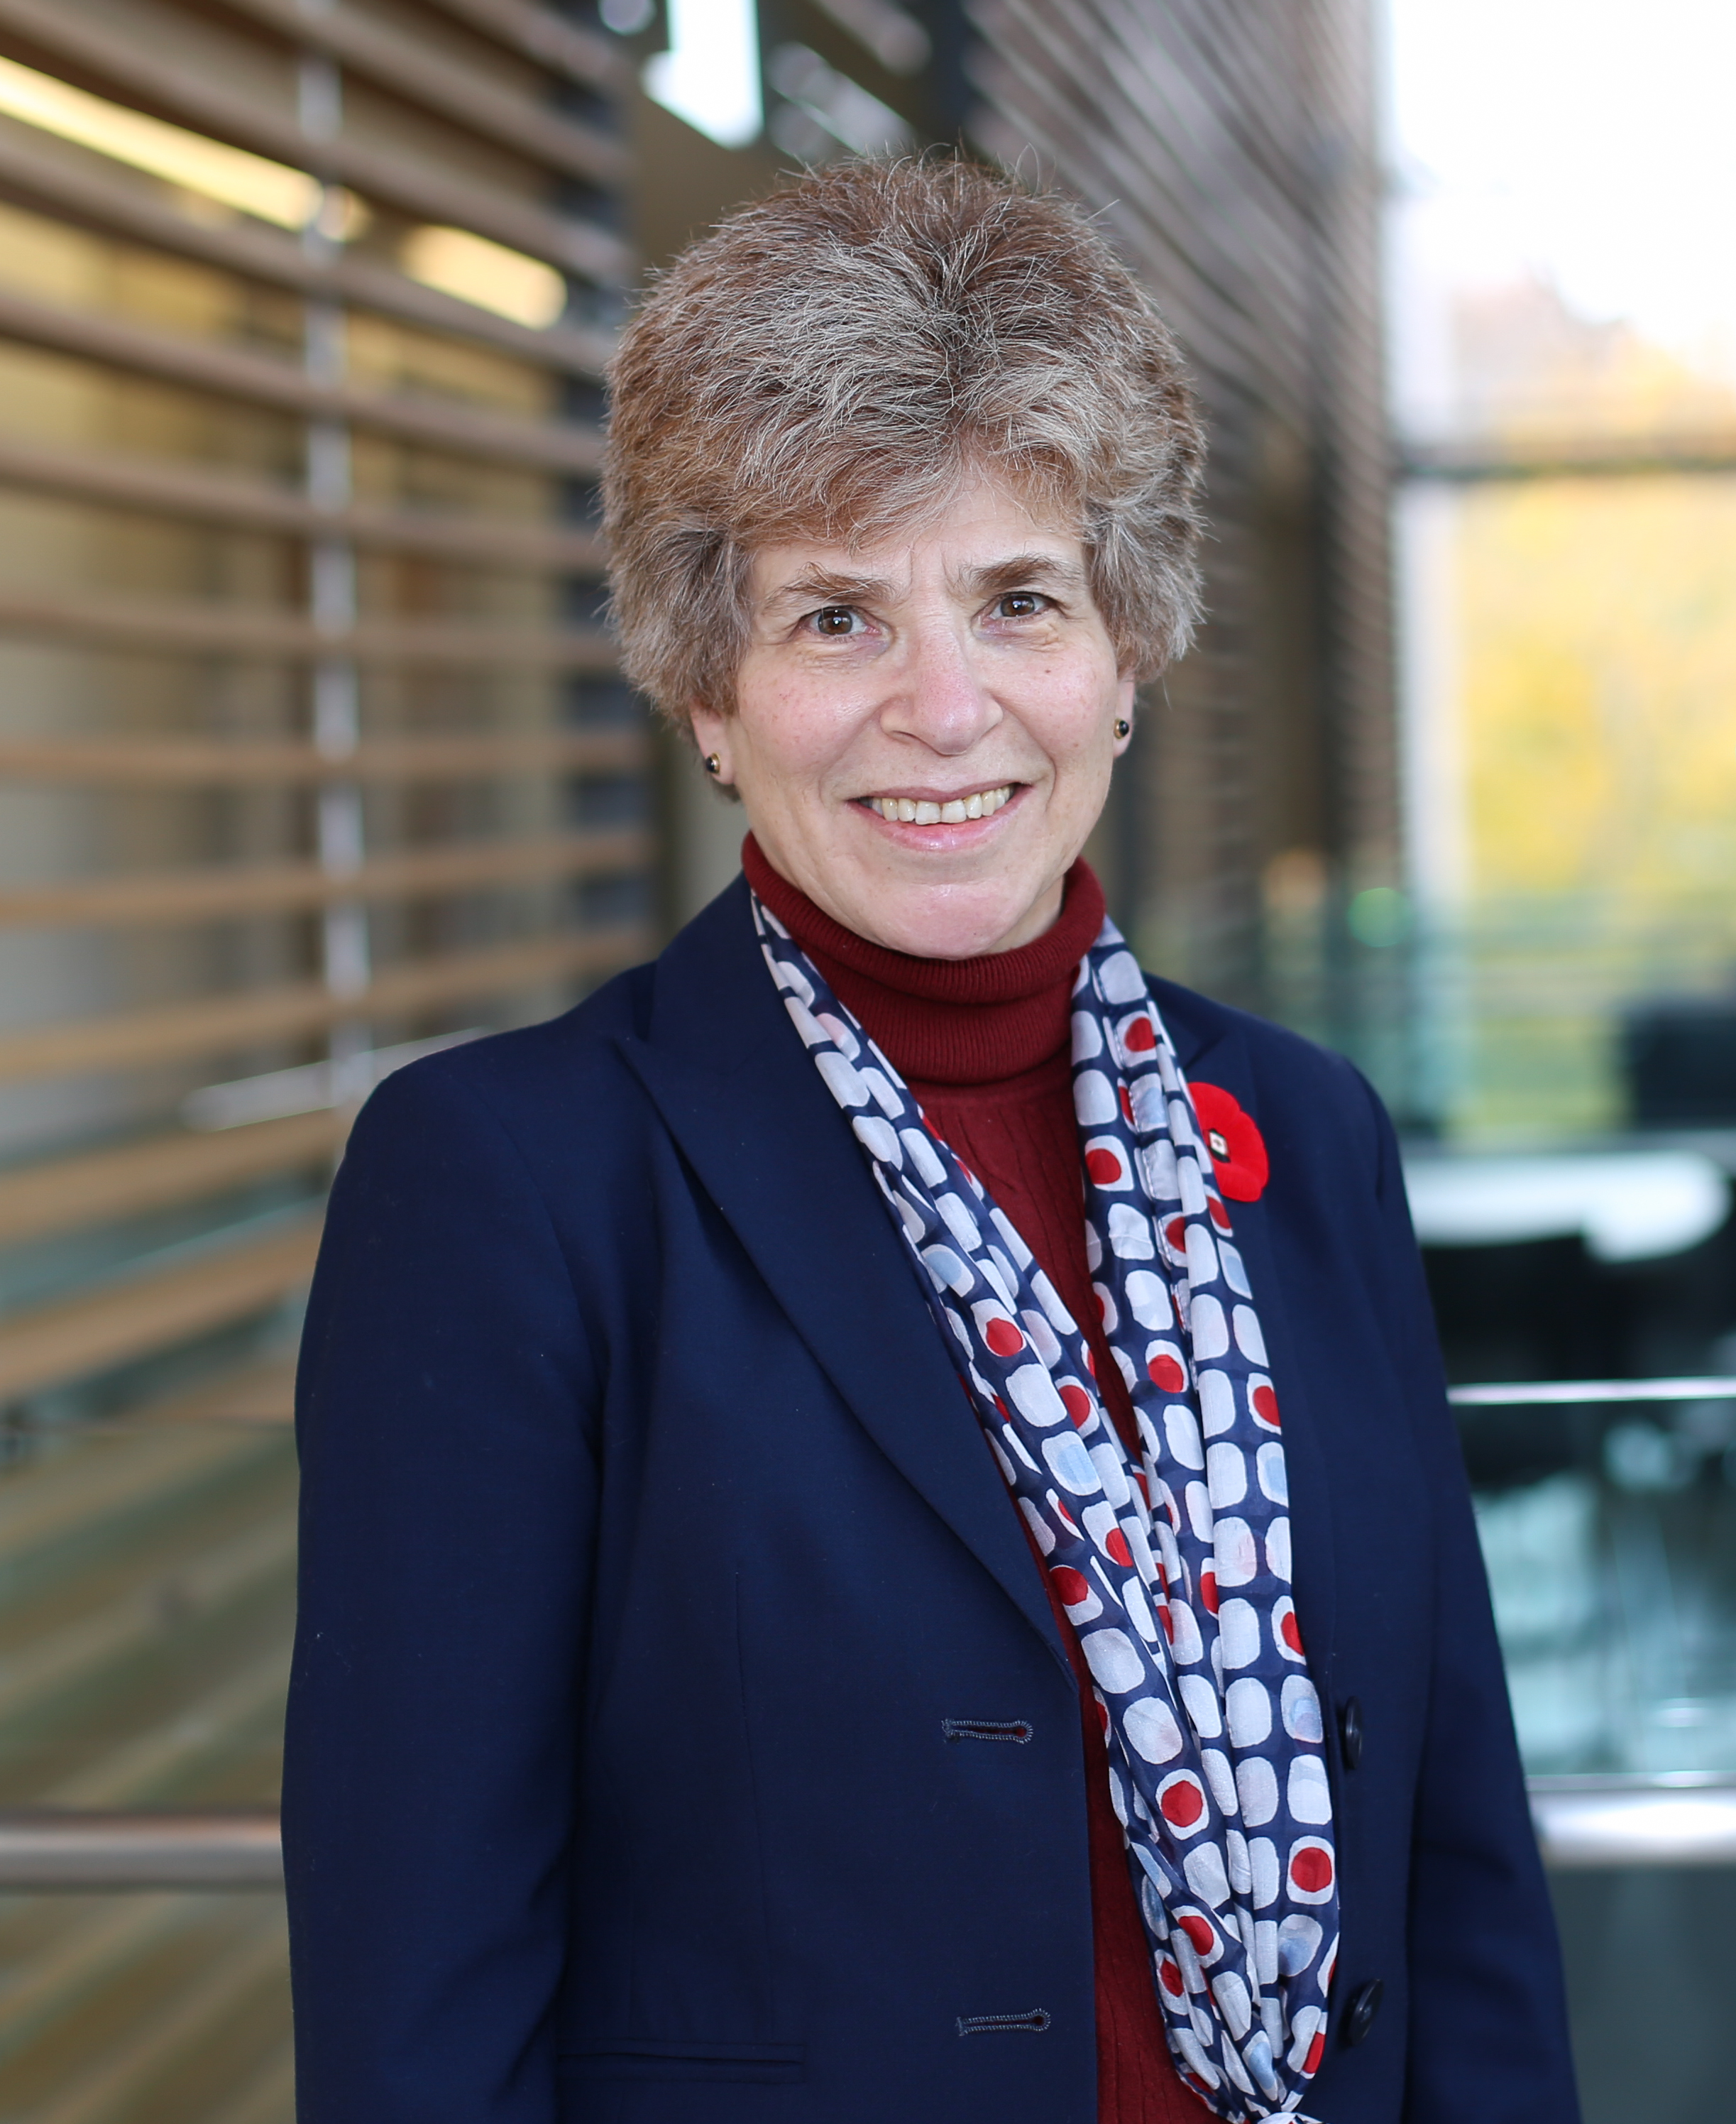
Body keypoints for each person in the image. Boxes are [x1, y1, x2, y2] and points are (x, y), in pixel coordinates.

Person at [282, 158, 1580, 2124]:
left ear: (1124, 656)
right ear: (708, 694)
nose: (945, 709)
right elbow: (422, 1989)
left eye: (1016, 600)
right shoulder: (510, 1185)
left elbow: (1455, 1842)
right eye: (837, 617)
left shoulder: (1304, 1134)